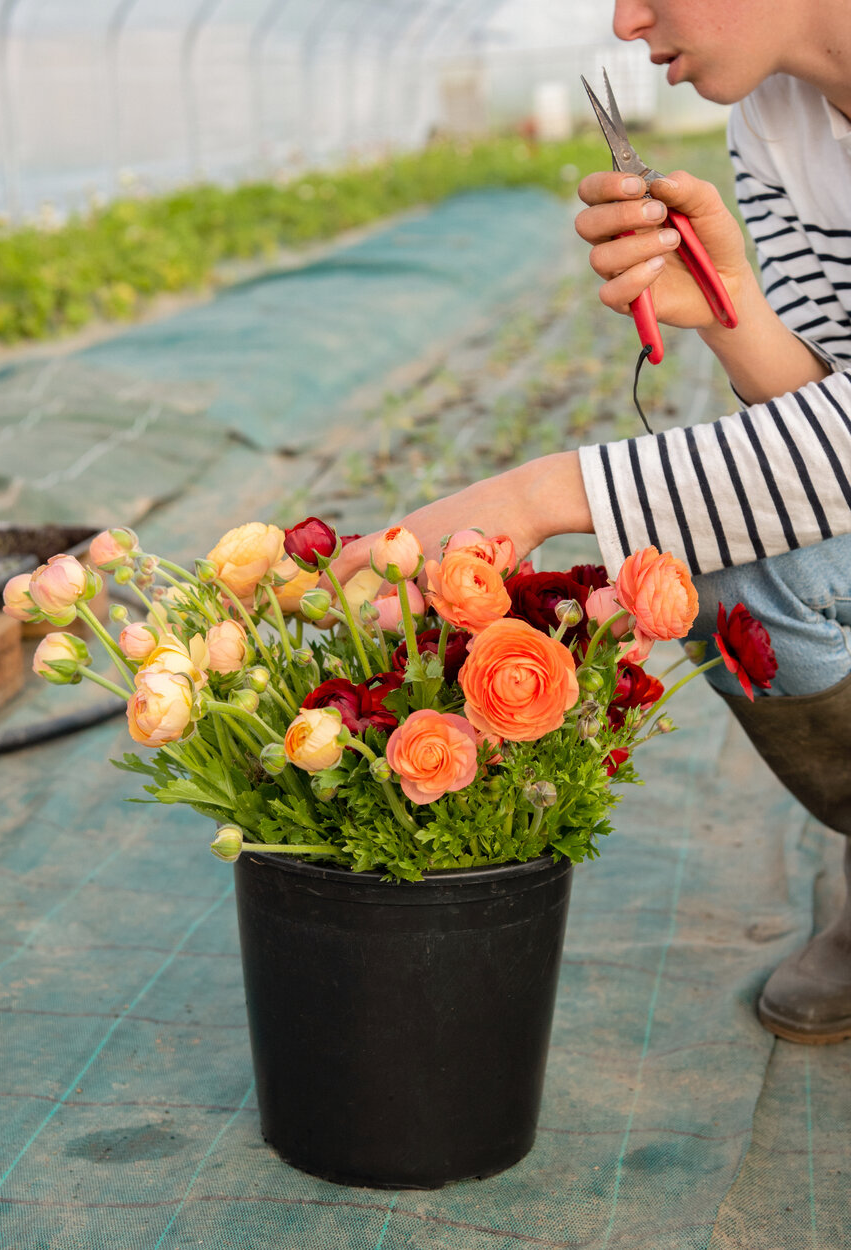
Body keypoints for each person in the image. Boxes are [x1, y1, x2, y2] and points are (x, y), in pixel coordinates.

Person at [332, 0, 851, 1044]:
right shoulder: (775, 120)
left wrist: (535, 497)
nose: (625, 21)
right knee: (717, 556)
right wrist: (730, 300)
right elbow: (826, 405)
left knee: (693, 519)